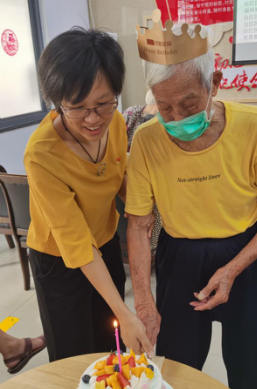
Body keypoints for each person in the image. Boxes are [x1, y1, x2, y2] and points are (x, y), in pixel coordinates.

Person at [126, 21, 257, 389]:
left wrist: (232, 269)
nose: (175, 118)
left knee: (254, 370)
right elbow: (139, 225)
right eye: (164, 107)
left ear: (215, 83)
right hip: (180, 258)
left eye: (188, 105)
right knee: (177, 370)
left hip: (248, 254)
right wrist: (144, 301)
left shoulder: (255, 126)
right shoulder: (148, 140)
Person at [25, 28, 153, 362]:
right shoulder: (42, 155)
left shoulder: (115, 123)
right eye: (78, 107)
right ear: (58, 102)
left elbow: (118, 175)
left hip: (105, 243)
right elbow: (76, 243)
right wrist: (125, 312)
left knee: (111, 341)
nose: (93, 119)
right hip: (60, 260)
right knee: (73, 355)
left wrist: (148, 210)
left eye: (103, 103)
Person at [122, 91, 162, 254]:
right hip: (133, 178)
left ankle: (151, 249)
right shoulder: (132, 114)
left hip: (140, 180)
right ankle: (150, 249)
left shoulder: (131, 113)